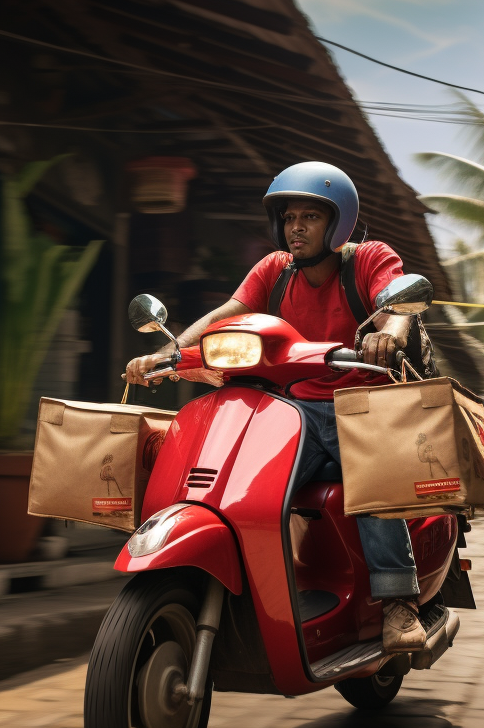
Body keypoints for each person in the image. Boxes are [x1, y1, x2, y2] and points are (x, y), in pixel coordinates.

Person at [125, 162, 427, 653]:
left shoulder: (369, 259)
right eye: (289, 218)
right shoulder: (274, 270)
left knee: (368, 478)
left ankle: (398, 603)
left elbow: (394, 310)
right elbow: (225, 315)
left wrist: (387, 337)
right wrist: (167, 354)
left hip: (360, 407)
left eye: (310, 216)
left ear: (339, 222)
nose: (296, 227)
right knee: (239, 479)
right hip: (295, 411)